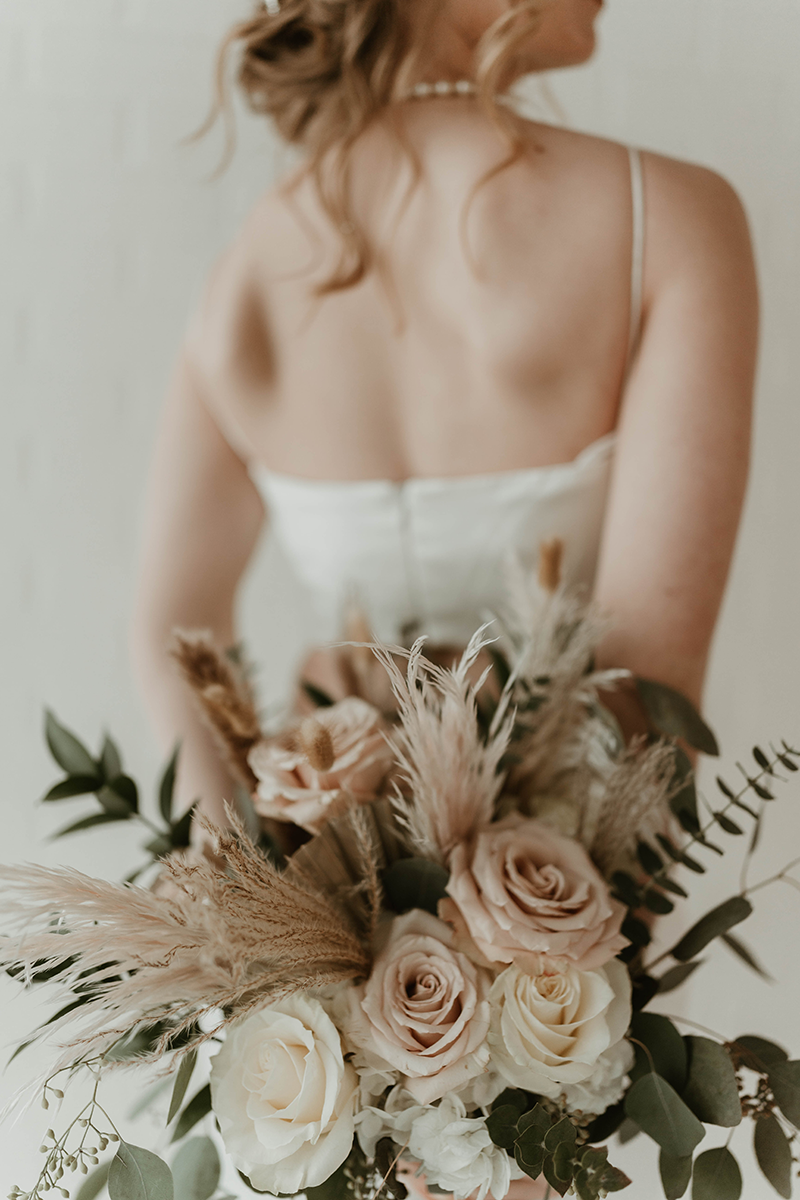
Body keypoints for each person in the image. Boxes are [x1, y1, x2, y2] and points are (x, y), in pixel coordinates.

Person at [131, 0, 758, 841]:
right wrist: (591, 954)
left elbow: (170, 623)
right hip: (573, 910)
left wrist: (246, 904)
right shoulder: (668, 219)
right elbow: (650, 691)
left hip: (325, 888)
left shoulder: (246, 269)